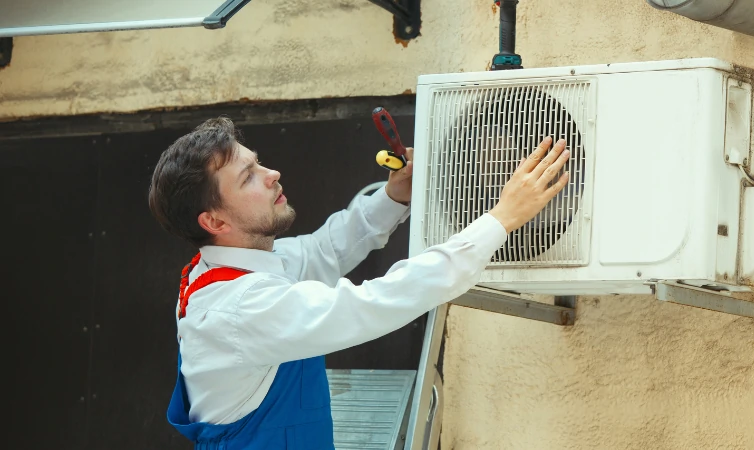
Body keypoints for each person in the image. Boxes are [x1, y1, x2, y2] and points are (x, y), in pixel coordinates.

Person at [147, 117, 570, 449]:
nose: (272, 173)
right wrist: (501, 219)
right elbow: (376, 303)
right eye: (248, 177)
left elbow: (323, 251)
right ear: (215, 221)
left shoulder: (235, 270)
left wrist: (393, 198)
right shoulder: (238, 309)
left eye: (257, 162)